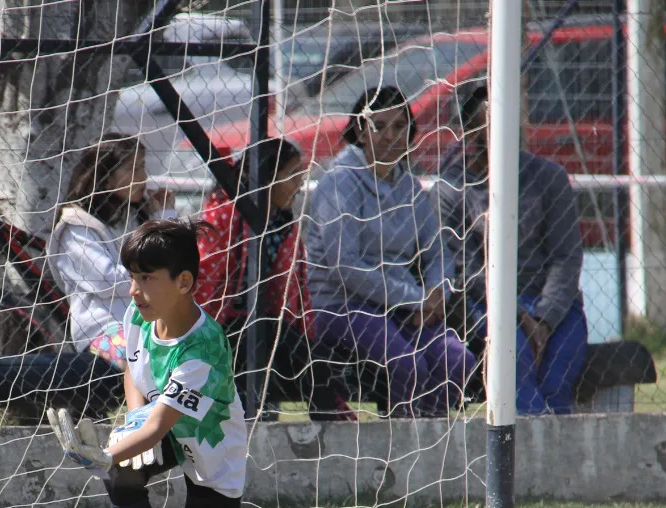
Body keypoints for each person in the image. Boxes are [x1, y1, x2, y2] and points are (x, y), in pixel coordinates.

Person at [46, 219, 273, 508]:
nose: (134, 290)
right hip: (163, 425)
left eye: (147, 278)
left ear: (183, 282)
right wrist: (131, 421)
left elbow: (157, 429)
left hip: (211, 447)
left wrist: (106, 453)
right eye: (133, 276)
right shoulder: (139, 316)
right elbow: (132, 369)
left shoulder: (202, 347)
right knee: (121, 476)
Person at [306, 86, 477, 418]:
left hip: (404, 304)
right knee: (407, 364)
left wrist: (437, 292)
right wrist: (416, 299)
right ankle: (401, 443)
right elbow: (346, 267)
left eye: (399, 126)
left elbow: (437, 251)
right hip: (342, 305)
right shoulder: (339, 182)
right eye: (379, 126)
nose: (390, 136)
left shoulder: (409, 186)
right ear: (360, 131)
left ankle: (430, 437)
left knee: (458, 360)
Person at [438, 85, 588, 415]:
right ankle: (534, 442)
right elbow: (466, 270)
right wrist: (519, 315)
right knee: (514, 365)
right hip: (488, 306)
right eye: (489, 123)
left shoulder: (549, 178)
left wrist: (543, 319)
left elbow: (566, 257)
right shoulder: (451, 189)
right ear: (469, 131)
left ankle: (554, 441)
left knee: (557, 380)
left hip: (553, 308)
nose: (503, 130)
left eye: (509, 119)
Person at [195, 136, 352, 419]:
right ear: (266, 178)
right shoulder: (225, 213)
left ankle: (330, 420)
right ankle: (333, 418)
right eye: (291, 175)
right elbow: (203, 282)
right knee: (270, 341)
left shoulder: (282, 222)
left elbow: (296, 293)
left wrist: (305, 335)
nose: (299, 184)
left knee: (304, 353)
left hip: (264, 329)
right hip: (217, 330)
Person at [48, 135, 176, 370]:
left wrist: (164, 217)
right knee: (142, 359)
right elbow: (107, 280)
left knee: (196, 349)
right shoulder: (77, 227)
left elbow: (176, 260)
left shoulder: (136, 216)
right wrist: (156, 273)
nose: (143, 177)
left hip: (148, 321)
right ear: (106, 179)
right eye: (132, 169)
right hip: (104, 328)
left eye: (142, 167)